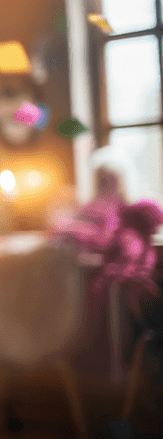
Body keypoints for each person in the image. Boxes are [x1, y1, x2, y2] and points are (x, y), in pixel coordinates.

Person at [52, 146, 162, 383]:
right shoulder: (91, 212)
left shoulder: (134, 213)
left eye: (109, 179)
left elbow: (113, 244)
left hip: (126, 284)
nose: (106, 185)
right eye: (101, 180)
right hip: (106, 283)